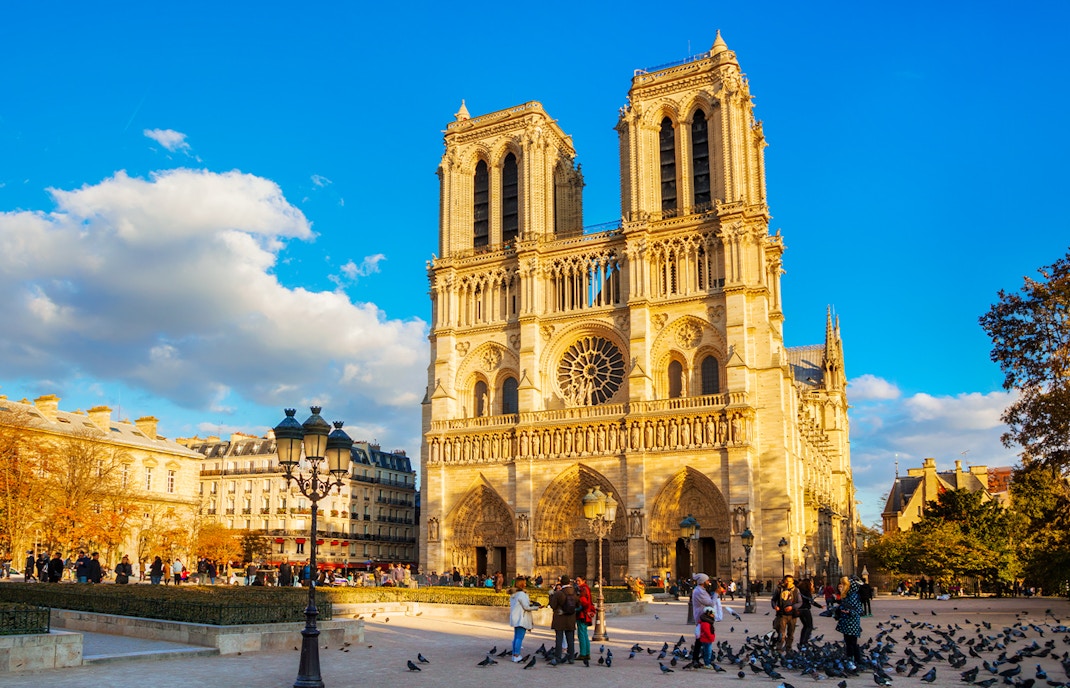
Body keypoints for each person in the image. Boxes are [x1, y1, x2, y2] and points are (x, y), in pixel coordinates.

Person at [548, 575, 578, 665]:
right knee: (570, 639)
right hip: (571, 618)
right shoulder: (574, 592)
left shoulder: (559, 593)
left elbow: (553, 605)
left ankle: (558, 657)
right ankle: (571, 658)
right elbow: (578, 604)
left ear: (561, 583)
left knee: (559, 639)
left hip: (560, 618)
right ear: (569, 582)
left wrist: (551, 596)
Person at [509, 575, 540, 662]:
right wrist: (536, 608)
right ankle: (516, 655)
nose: (526, 584)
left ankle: (514, 654)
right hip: (521, 618)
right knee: (519, 637)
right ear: (521, 584)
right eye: (525, 583)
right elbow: (526, 607)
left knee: (516, 637)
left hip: (516, 617)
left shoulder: (513, 594)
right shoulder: (522, 594)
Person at [835, 576, 863, 665]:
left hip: (852, 621)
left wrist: (848, 611)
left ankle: (854, 660)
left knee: (851, 642)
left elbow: (858, 610)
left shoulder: (853, 595)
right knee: (848, 641)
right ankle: (853, 659)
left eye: (843, 584)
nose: (841, 586)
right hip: (847, 621)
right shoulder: (848, 595)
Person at [772, 575, 802, 653]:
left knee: (791, 633)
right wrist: (775, 606)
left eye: (790, 581)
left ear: (792, 581)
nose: (788, 582)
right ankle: (779, 648)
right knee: (781, 633)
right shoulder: (779, 589)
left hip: (792, 615)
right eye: (786, 581)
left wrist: (792, 607)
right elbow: (773, 600)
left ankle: (788, 647)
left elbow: (800, 602)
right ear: (784, 581)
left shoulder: (796, 590)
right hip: (782, 614)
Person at [574, 575, 595, 662]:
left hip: (582, 615)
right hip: (586, 614)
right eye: (576, 581)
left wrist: (578, 608)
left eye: (579, 580)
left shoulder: (582, 589)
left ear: (584, 581)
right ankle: (587, 653)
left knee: (581, 634)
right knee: (585, 634)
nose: (577, 582)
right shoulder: (586, 588)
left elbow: (584, 602)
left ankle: (583, 654)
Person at [796, 578, 822, 649]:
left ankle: (802, 642)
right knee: (809, 626)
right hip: (805, 610)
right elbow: (811, 601)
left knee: (805, 626)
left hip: (799, 610)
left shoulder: (798, 590)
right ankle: (804, 642)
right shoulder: (807, 591)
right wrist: (820, 606)